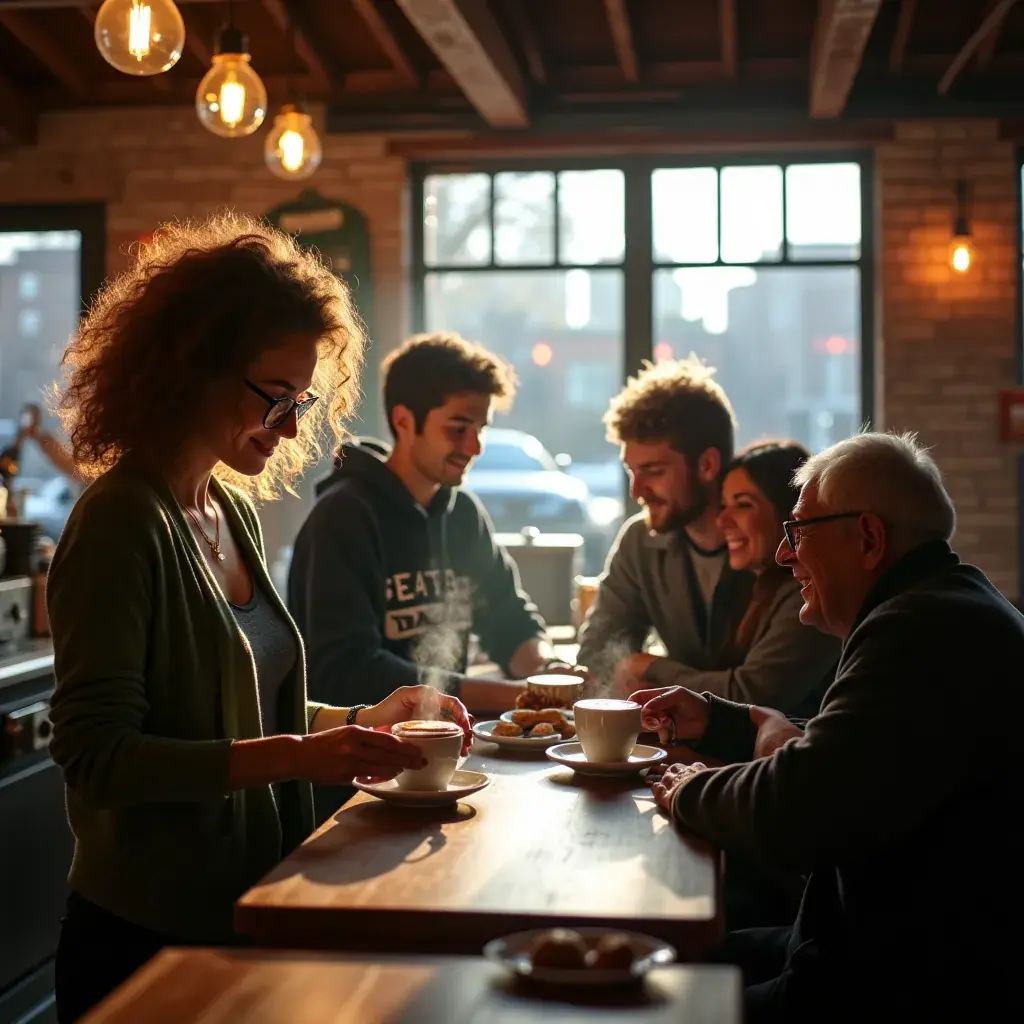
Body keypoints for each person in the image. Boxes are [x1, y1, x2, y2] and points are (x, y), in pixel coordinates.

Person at [45, 215, 472, 1024]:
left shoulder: (228, 509)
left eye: (301, 401)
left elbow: (237, 712)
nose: (290, 426)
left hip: (247, 905)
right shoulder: (121, 522)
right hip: (145, 937)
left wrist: (358, 720)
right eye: (275, 398)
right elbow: (99, 760)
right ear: (189, 368)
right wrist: (301, 757)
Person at [639, 431, 1022, 1021]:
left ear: (867, 537)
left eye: (798, 533)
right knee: (651, 959)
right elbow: (843, 752)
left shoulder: (921, 631)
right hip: (875, 947)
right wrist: (722, 719)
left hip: (902, 985)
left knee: (635, 996)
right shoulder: (945, 605)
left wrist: (687, 787)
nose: (782, 556)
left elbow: (796, 810)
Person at [288, 332, 571, 720]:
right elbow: (347, 669)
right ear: (404, 421)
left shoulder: (464, 515)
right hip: (363, 760)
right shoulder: (344, 517)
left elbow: (509, 621)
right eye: (458, 428)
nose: (474, 447)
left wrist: (549, 671)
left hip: (449, 742)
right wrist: (517, 695)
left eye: (480, 429)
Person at [576, 356, 753, 696]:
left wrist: (655, 669)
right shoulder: (640, 540)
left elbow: (762, 692)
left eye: (653, 472)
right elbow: (597, 655)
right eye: (631, 472)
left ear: (707, 465)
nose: (637, 491)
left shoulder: (774, 544)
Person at [636, 439, 839, 716]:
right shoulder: (747, 585)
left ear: (788, 512)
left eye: (743, 505)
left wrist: (651, 669)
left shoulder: (807, 592)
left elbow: (750, 695)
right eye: (723, 505)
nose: (723, 520)